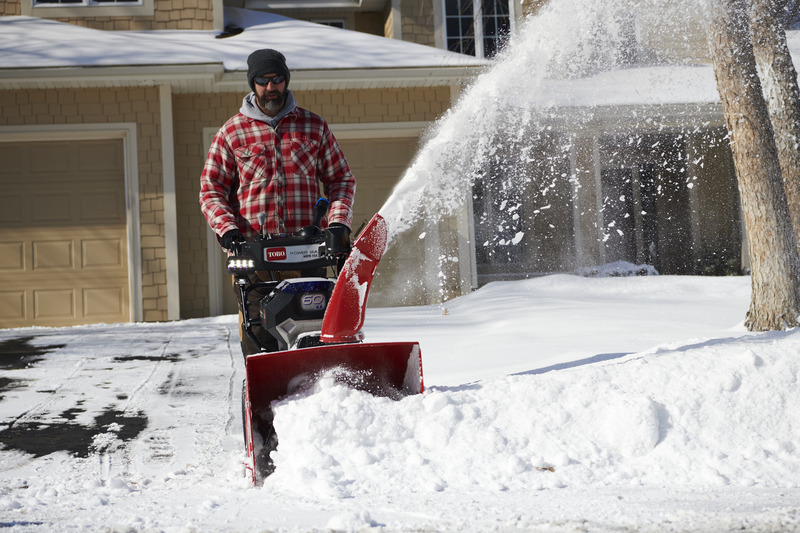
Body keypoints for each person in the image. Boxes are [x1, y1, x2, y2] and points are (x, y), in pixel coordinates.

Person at [199, 48, 356, 356]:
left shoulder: (313, 126)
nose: (271, 87)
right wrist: (228, 229)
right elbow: (211, 188)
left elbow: (341, 179)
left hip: (307, 251)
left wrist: (338, 224)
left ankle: (322, 390)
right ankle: (266, 394)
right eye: (262, 80)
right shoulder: (231, 132)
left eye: (277, 79)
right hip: (254, 253)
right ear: (252, 83)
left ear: (286, 80)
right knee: (259, 333)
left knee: (313, 325)